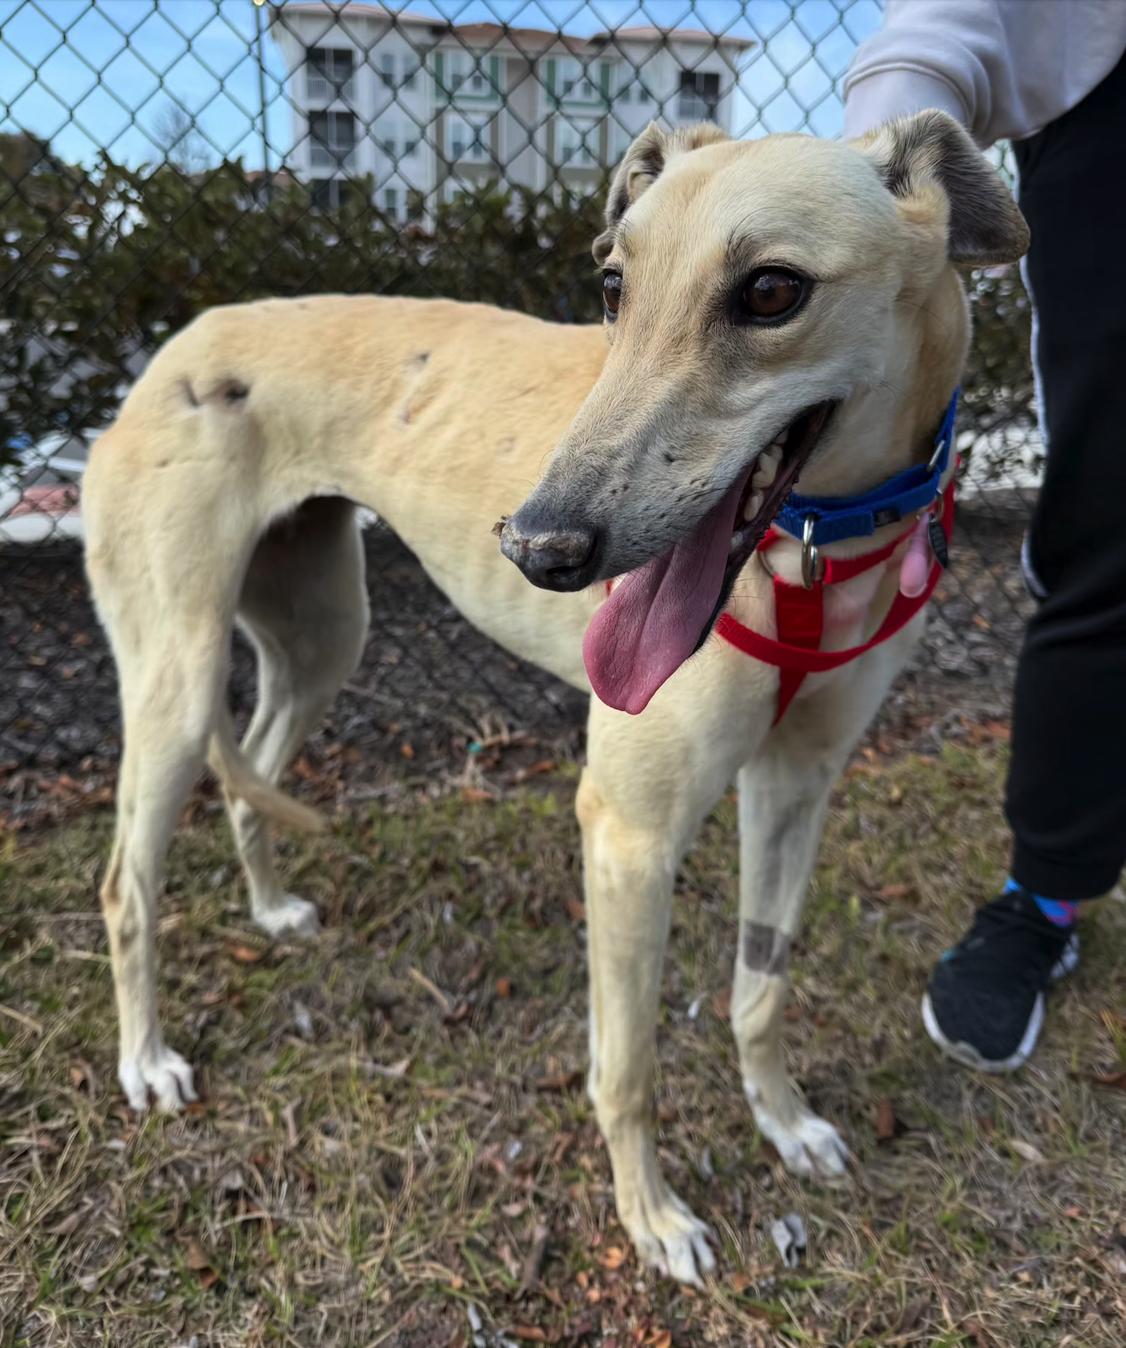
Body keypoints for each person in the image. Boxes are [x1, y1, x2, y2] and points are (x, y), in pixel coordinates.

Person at [843, 0, 1126, 1071]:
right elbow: (944, 26)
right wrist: (859, 189)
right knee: (1109, 527)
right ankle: (1044, 896)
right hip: (1106, 122)